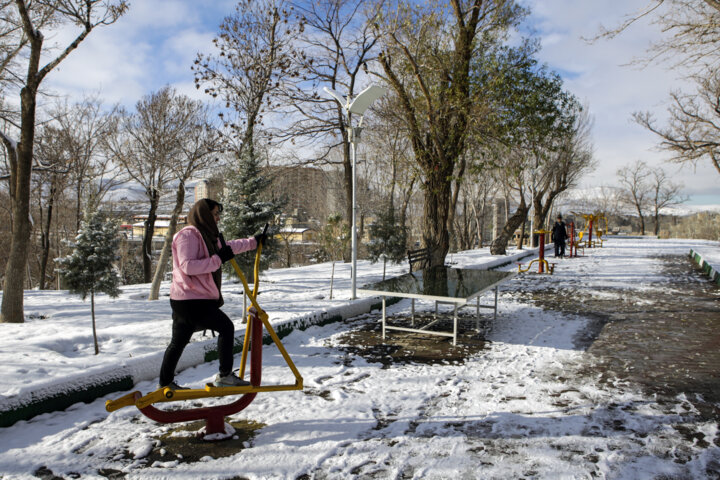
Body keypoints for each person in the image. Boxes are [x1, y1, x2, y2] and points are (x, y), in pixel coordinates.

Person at [158, 198, 267, 390]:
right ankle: (225, 376)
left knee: (179, 342)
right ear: (204, 215)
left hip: (190, 299)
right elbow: (188, 266)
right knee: (226, 328)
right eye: (214, 214)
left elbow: (229, 247)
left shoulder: (206, 236)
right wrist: (218, 260)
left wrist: (253, 242)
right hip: (191, 300)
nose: (217, 218)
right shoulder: (188, 235)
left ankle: (165, 383)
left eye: (218, 215)